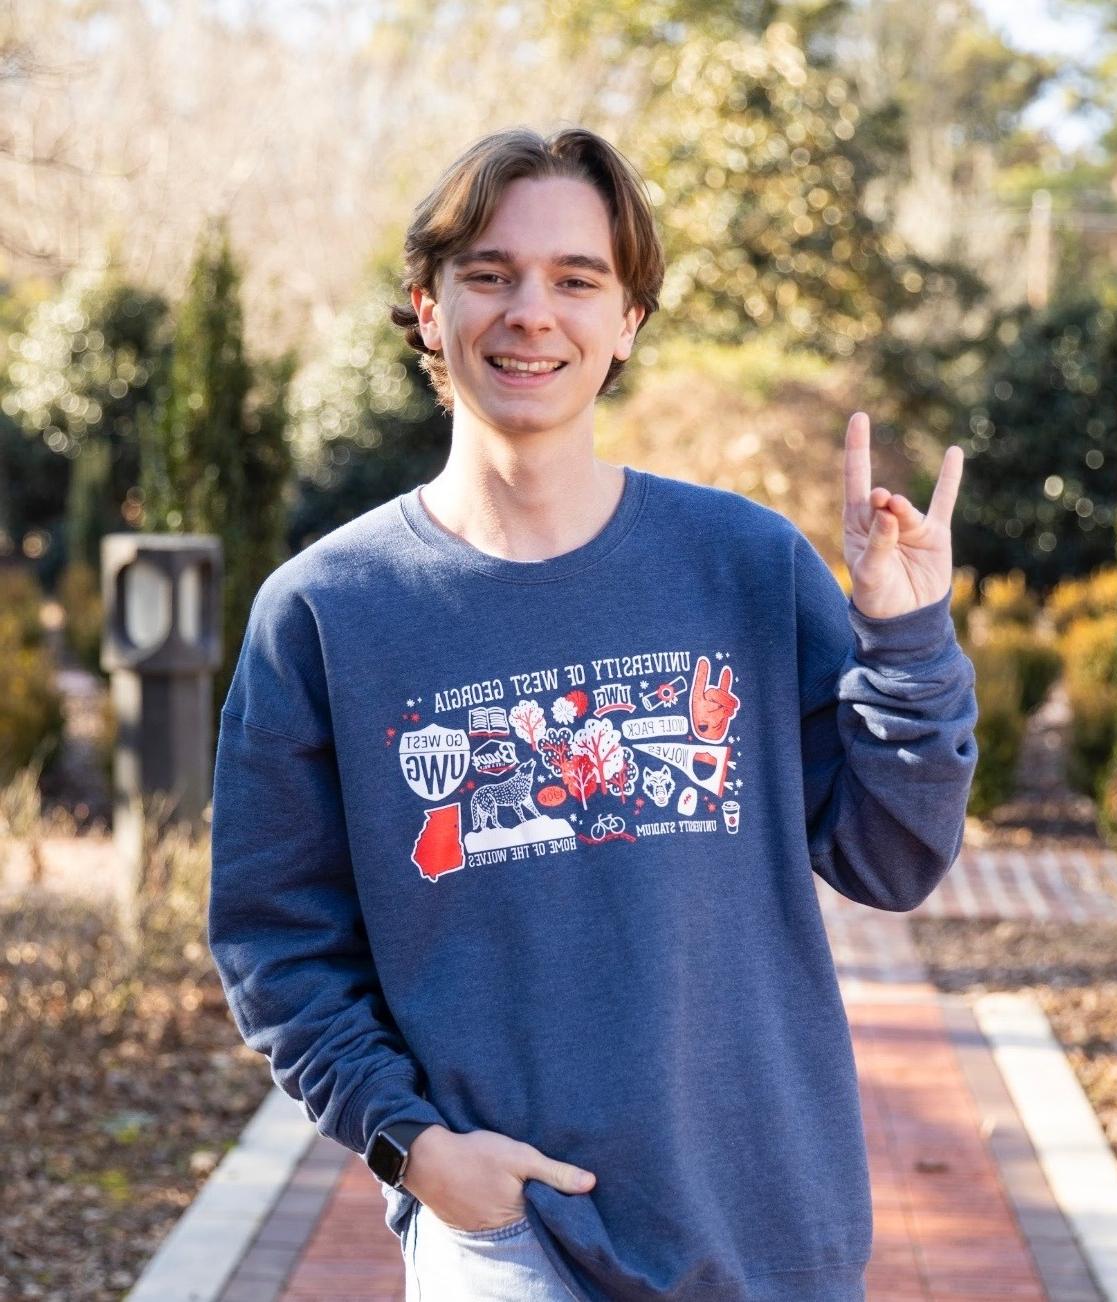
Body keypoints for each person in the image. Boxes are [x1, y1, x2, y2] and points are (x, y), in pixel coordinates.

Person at [207, 125, 978, 1302]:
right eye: (489, 275)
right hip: (510, 1238)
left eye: (576, 280)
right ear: (426, 307)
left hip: (766, 1223)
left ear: (626, 324)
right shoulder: (326, 612)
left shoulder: (744, 565)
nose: (532, 312)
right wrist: (414, 1148)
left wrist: (909, 639)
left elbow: (892, 859)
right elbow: (274, 941)